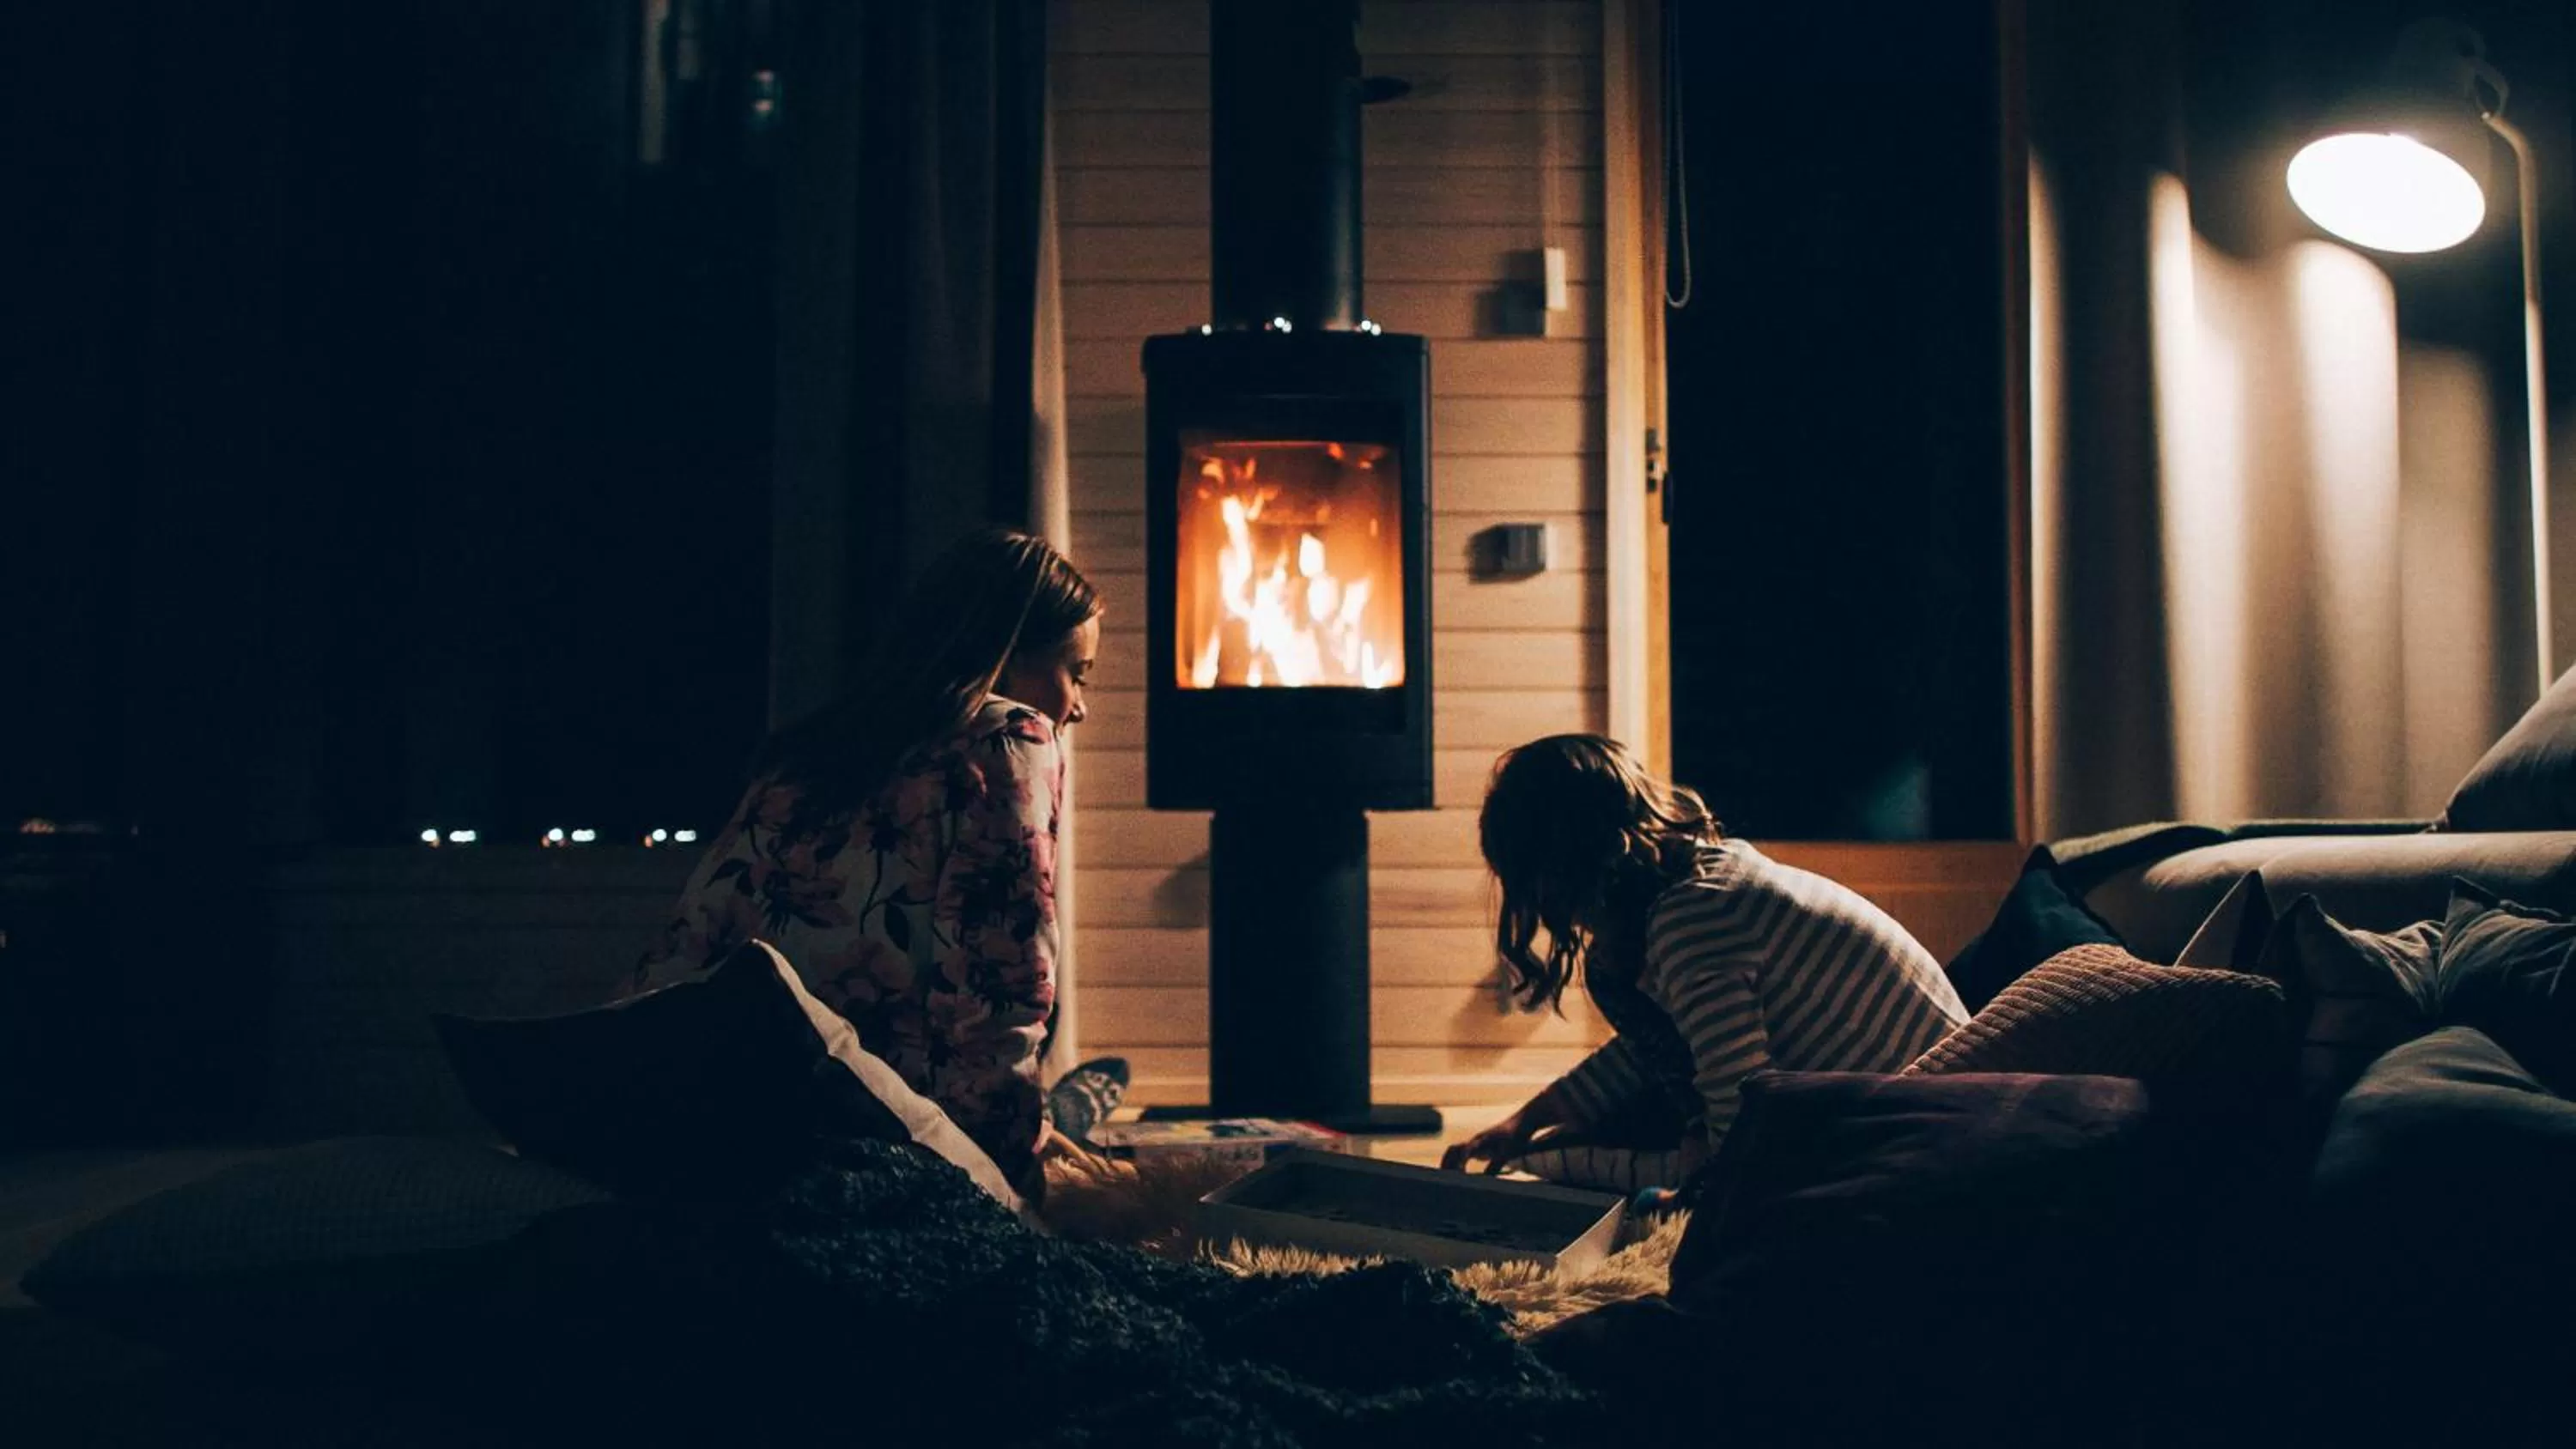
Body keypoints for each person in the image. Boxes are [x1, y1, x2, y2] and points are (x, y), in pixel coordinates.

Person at [634, 528, 1115, 1197]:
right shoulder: (1011, 735)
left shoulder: (804, 753)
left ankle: (1084, 1098)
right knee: (1063, 1129)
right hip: (871, 1137)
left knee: (1064, 1117)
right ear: (1005, 655)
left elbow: (685, 948)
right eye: (1075, 673)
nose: (1079, 706)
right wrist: (1014, 1178)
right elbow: (996, 995)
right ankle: (1085, 1100)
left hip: (701, 1113)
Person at [1442, 735, 1969, 1194]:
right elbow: (1647, 1054)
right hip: (1908, 1112)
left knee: (1559, 1163)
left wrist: (1578, 1165)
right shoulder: (1706, 876)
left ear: (1562, 876)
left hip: (1911, 1140)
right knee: (1567, 1138)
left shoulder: (1693, 923)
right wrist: (1526, 1120)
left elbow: (1743, 1122)